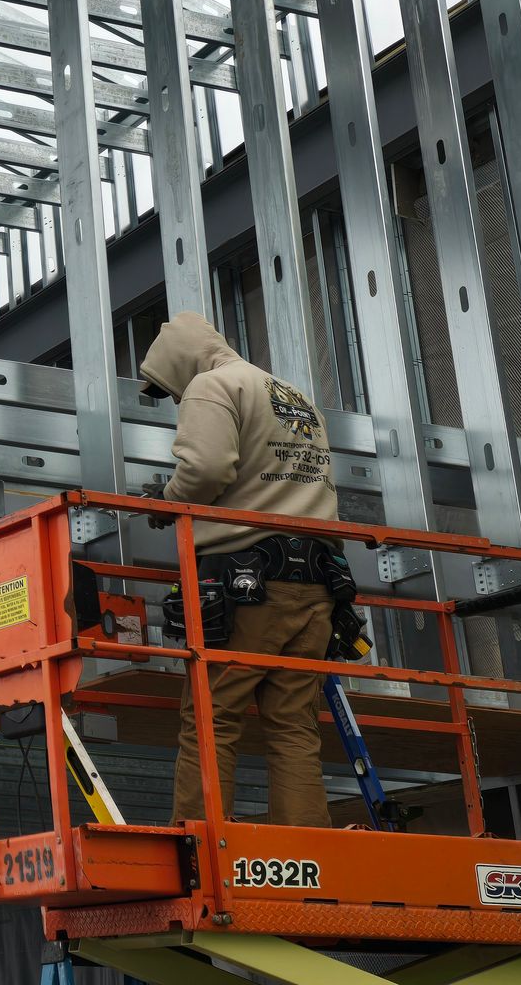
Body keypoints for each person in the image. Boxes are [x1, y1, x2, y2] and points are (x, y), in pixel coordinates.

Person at [138, 311, 339, 829]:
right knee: (294, 728)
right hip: (317, 583)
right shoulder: (291, 395)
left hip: (247, 586)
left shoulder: (212, 385)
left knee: (211, 720)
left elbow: (207, 468)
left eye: (170, 388)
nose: (178, 399)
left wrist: (168, 501)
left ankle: (202, 855)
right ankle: (306, 859)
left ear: (180, 362)